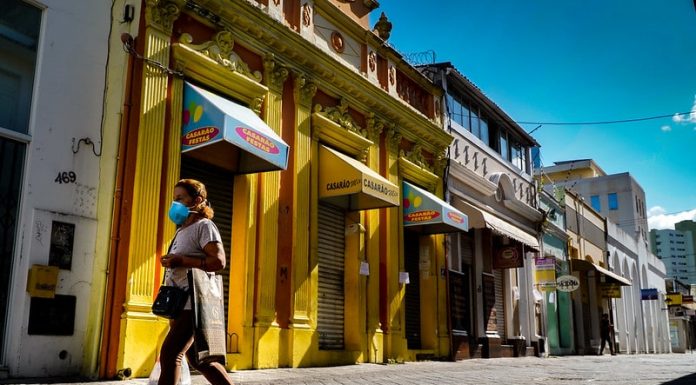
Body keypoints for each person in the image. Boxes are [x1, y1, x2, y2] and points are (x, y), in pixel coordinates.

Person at [158, 179, 233, 385]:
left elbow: (219, 261)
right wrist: (171, 261)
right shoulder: (181, 229)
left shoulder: (204, 226)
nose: (175, 203)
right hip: (178, 301)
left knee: (170, 355)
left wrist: (182, 260)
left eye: (180, 198)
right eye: (174, 199)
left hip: (193, 302)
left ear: (197, 200)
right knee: (200, 361)